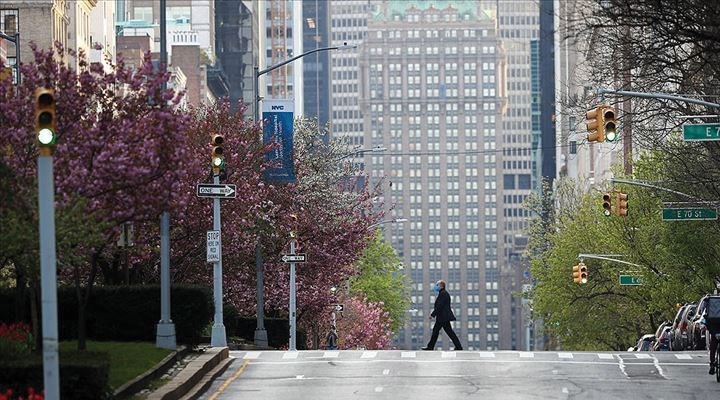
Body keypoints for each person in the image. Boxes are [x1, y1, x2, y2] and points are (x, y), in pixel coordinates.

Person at [422, 280, 463, 351]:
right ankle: (458, 346)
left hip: (442, 317)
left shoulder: (443, 293)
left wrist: (432, 314)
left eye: (437, 285)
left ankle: (430, 347)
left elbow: (439, 306)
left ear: (441, 286)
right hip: (443, 317)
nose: (436, 286)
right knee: (449, 332)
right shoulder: (443, 293)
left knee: (436, 331)